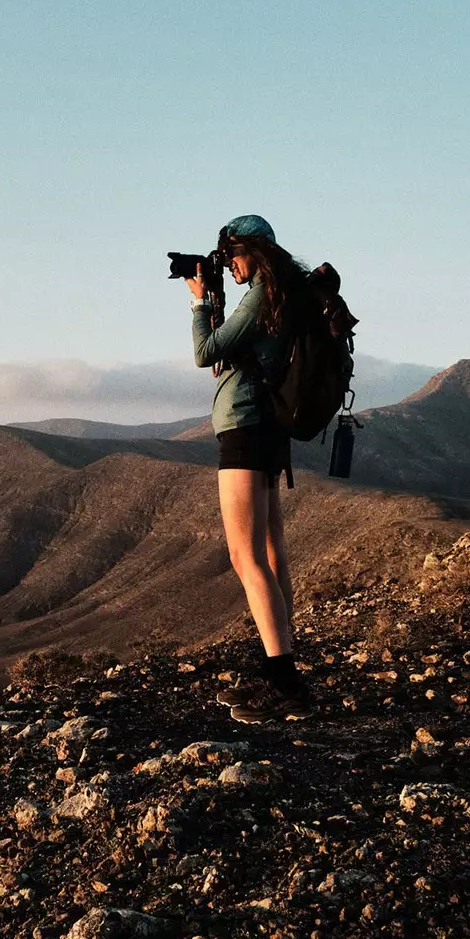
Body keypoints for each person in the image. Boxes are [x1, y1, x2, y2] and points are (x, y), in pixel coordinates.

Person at [185, 214, 315, 723]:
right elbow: (239, 349)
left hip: (244, 425)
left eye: (231, 257)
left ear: (249, 252)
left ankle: (284, 681)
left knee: (244, 556)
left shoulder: (261, 291)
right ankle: (283, 662)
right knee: (269, 548)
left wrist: (199, 303)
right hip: (269, 427)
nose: (229, 267)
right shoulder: (285, 290)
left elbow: (204, 353)